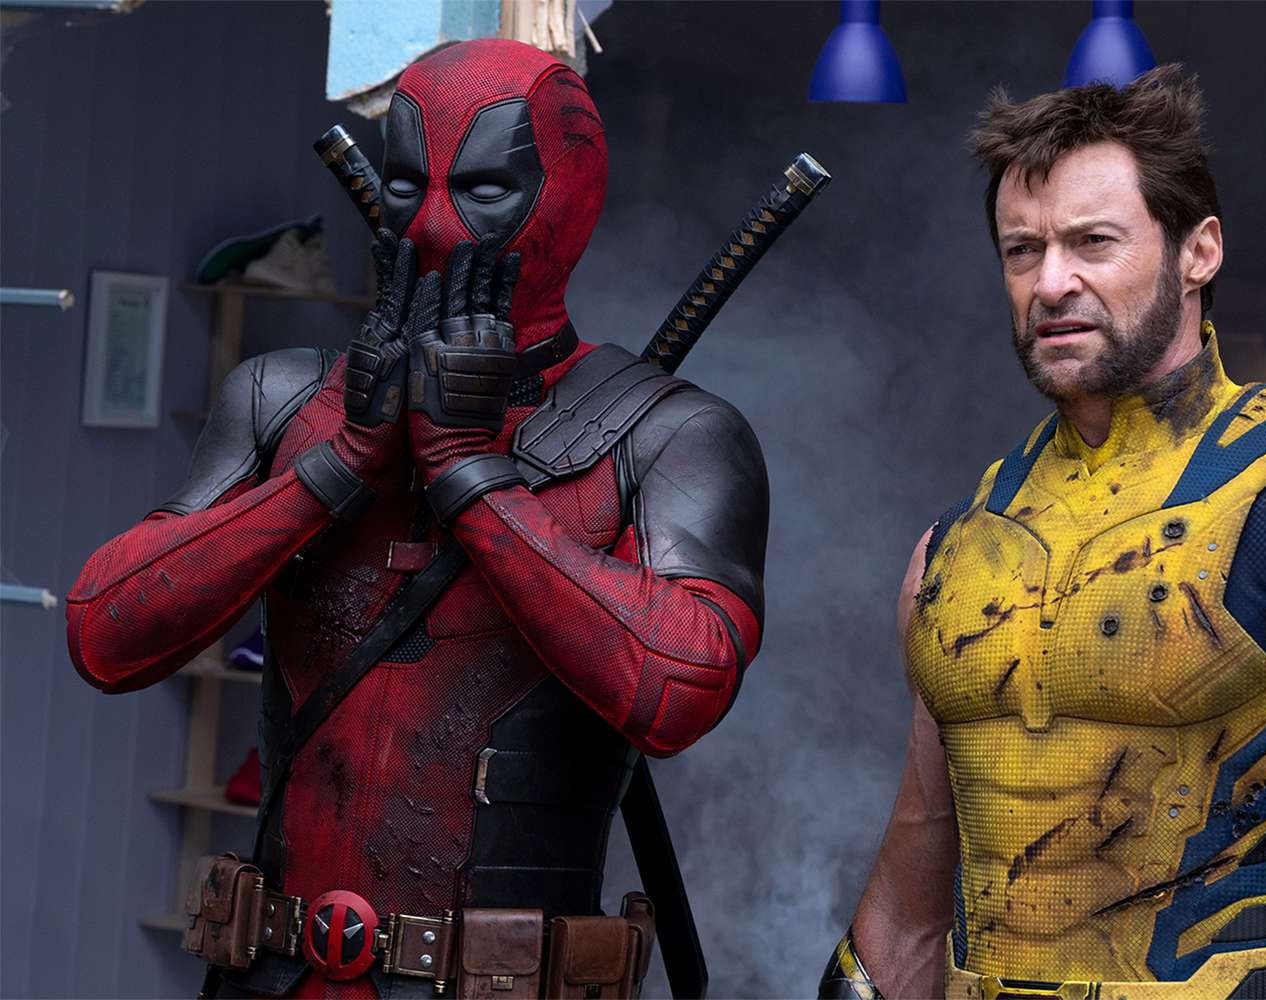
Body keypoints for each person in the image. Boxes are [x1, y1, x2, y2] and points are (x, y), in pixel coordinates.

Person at [68, 39, 768, 998]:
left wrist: (468, 475)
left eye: (483, 190)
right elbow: (105, 634)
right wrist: (341, 460)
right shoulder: (284, 398)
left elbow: (680, 689)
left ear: (564, 197)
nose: (433, 225)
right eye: (406, 183)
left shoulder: (669, 435)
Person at [820, 65, 1266, 1000]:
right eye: (1022, 250)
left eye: (1093, 242)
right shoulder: (959, 555)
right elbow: (906, 913)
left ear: (1198, 252)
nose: (1052, 282)